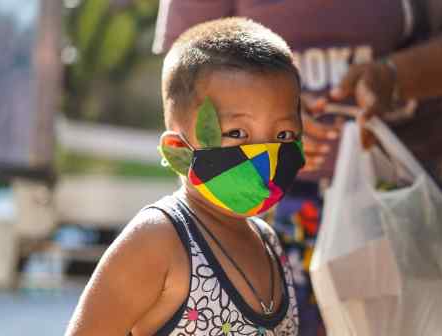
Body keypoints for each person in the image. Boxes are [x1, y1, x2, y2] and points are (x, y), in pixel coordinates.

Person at [153, 1, 442, 335]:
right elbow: (185, 79)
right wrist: (269, 130)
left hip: (408, 203)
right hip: (273, 216)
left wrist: (395, 77)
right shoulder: (160, 247)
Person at [66, 18, 306, 335]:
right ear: (178, 148)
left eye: (285, 134)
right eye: (236, 133)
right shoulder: (157, 240)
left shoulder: (269, 241)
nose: (267, 154)